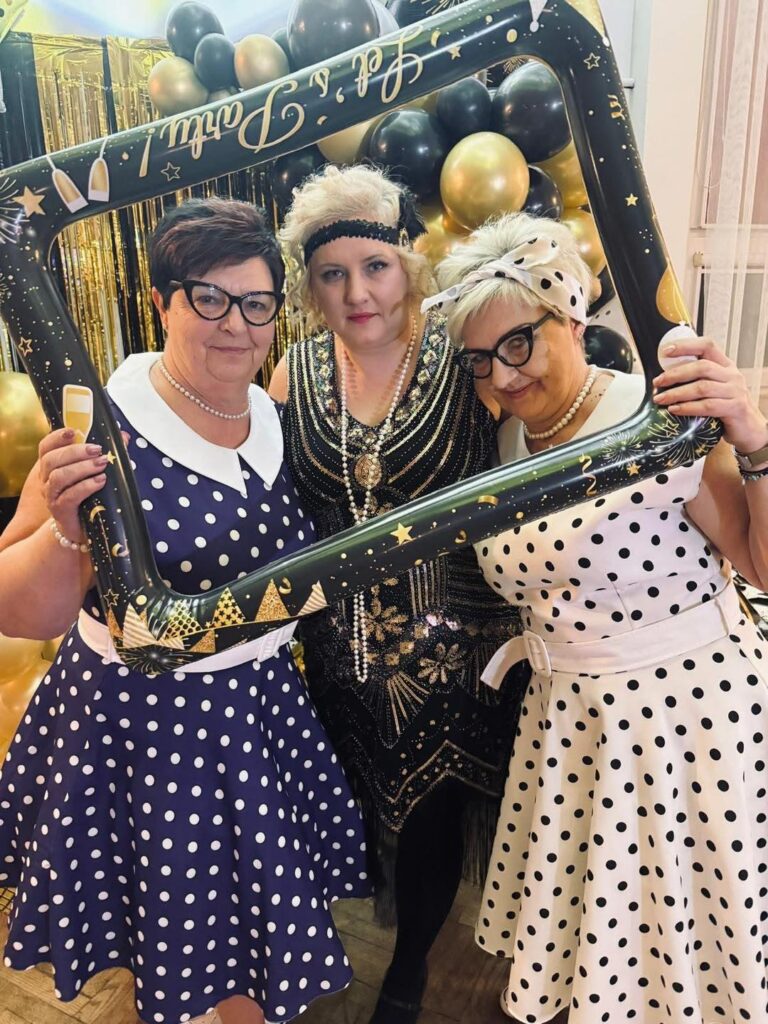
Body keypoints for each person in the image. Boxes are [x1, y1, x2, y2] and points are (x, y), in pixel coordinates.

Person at [0, 198, 370, 1024]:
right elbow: (20, 611)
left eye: (256, 304)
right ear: (162, 302)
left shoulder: (272, 415)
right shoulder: (103, 422)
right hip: (142, 726)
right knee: (181, 940)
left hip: (258, 710)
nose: (235, 324)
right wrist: (66, 530)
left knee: (240, 936)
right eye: (209, 298)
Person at [429, 210, 768, 1024]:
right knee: (613, 955)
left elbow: (760, 567)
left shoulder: (652, 416)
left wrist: (754, 438)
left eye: (519, 343)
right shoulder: (507, 444)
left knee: (702, 945)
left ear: (573, 319)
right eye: (480, 360)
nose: (502, 376)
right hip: (572, 728)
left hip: (685, 723)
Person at [269, 164, 527, 1024]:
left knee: (428, 825)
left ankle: (411, 966)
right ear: (309, 285)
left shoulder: (465, 355)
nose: (357, 294)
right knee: (337, 817)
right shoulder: (293, 371)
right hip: (331, 657)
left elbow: (541, 441)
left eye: (374, 267)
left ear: (407, 262)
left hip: (455, 658)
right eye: (332, 274)